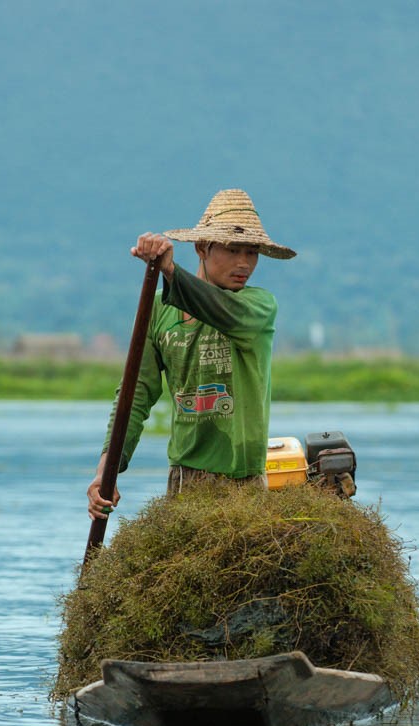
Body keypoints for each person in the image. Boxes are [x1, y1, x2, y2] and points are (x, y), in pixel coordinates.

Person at [87, 189, 296, 520]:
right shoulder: (159, 309)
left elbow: (216, 307)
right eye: (232, 250)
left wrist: (170, 271)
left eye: (252, 252)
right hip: (185, 478)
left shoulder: (257, 307)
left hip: (242, 482)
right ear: (202, 248)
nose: (244, 263)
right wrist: (106, 471)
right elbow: (134, 395)